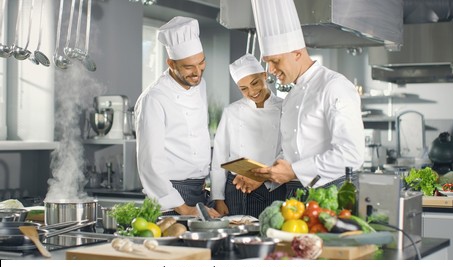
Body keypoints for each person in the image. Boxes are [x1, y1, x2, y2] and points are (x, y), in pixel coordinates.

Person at [235, 0, 365, 196]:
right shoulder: (290, 97)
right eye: (267, 62)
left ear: (297, 53)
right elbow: (290, 154)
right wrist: (263, 175)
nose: (270, 71)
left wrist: (295, 171)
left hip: (334, 194)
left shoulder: (334, 86)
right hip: (296, 194)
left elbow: (351, 155)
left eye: (275, 61)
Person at [134, 16, 220, 218]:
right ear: (171, 63)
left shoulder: (200, 84)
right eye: (189, 67)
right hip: (171, 195)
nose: (197, 72)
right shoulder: (154, 98)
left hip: (199, 189)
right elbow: (150, 163)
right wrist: (184, 208)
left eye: (201, 63)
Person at [210, 54, 287, 218]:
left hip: (271, 186)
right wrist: (218, 198)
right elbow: (219, 156)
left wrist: (266, 176)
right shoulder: (232, 111)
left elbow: (288, 150)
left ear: (265, 76)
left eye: (255, 83)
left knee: (269, 234)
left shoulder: (285, 108)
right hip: (237, 187)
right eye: (243, 88)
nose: (252, 91)